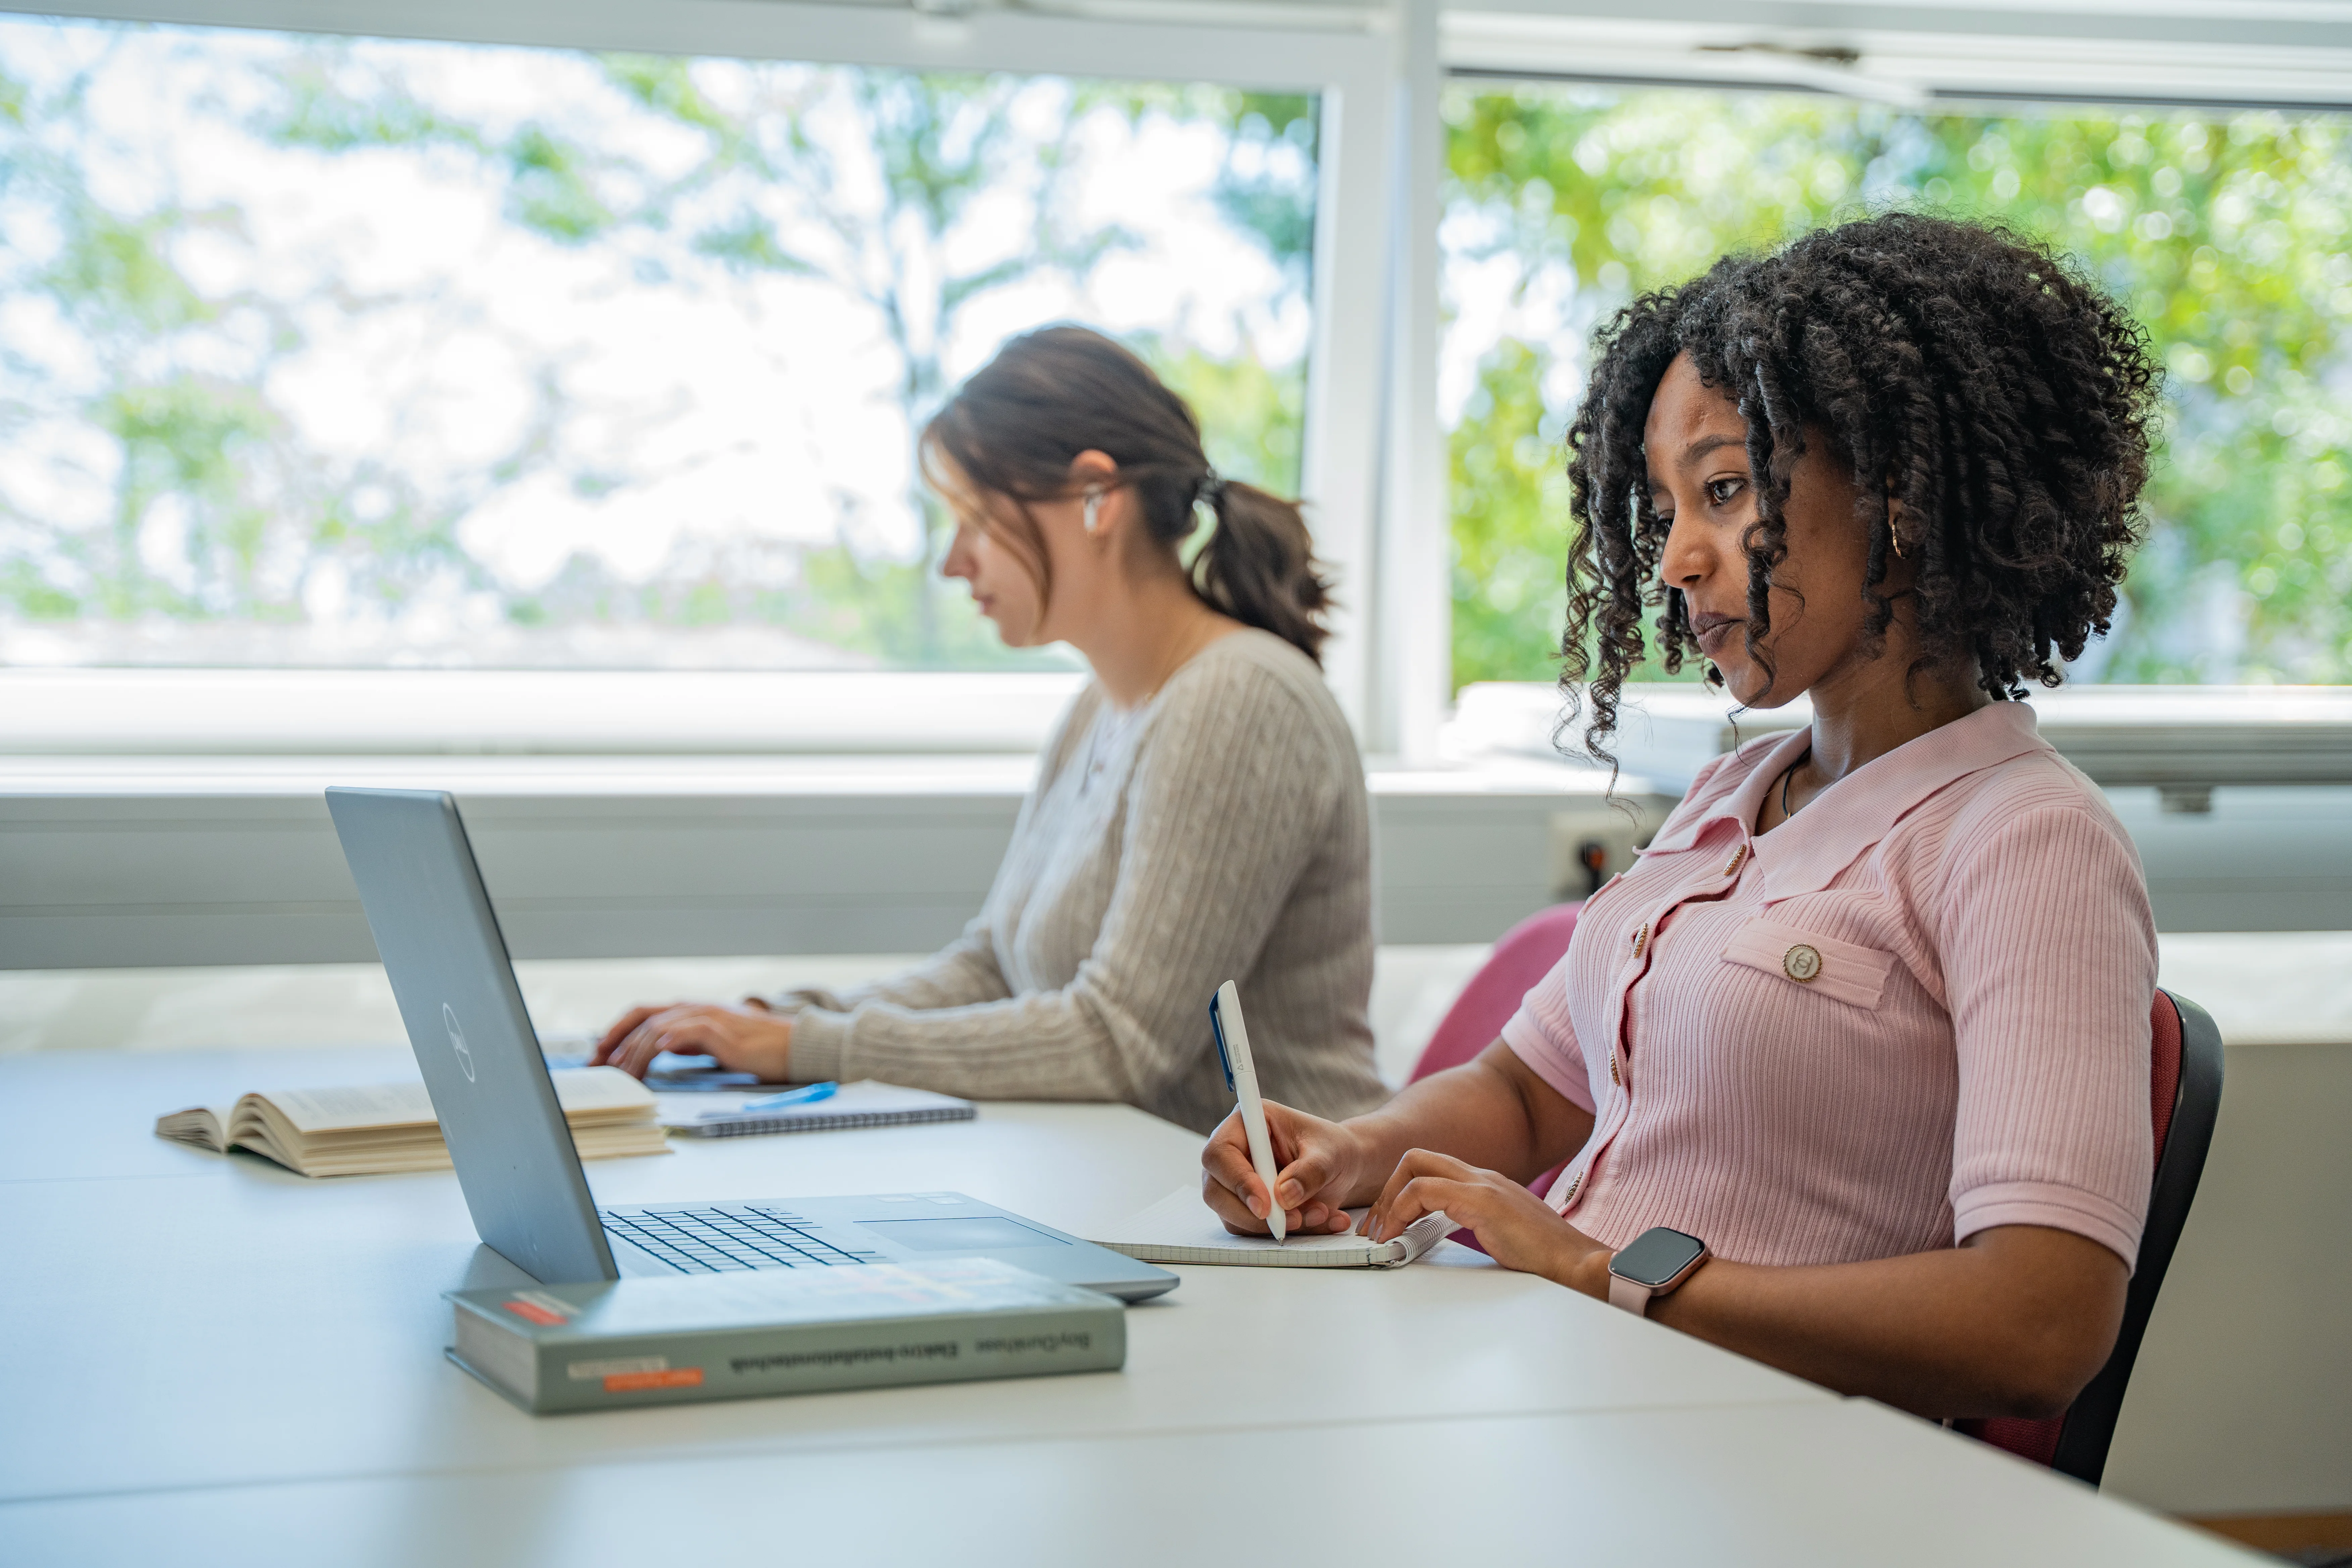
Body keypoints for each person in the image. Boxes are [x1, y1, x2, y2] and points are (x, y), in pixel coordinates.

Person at [1202, 212, 2165, 1423]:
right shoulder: (1730, 796)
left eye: (1721, 490)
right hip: (1568, 1401)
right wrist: (1353, 1151)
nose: (1670, 561)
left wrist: (1606, 1275)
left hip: (1742, 1463)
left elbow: (2038, 1320)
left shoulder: (2024, 842)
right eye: (1663, 510)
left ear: (1901, 496)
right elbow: (1521, 1092)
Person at [593, 326, 1388, 1134]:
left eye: (975, 518)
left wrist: (807, 1043)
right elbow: (993, 966)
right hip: (1145, 1187)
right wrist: (766, 1019)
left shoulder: (1239, 700)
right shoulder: (1101, 707)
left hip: (1299, 1228)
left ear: (1094, 496)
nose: (953, 563)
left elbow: (1120, 1042)